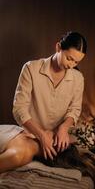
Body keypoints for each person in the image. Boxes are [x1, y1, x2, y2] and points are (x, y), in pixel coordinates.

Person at [0, 31, 87, 173]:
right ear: (58, 47)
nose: (71, 65)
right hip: (30, 134)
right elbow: (19, 109)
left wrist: (63, 128)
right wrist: (41, 135)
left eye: (77, 62)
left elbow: (75, 109)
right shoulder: (31, 68)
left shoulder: (78, 78)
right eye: (69, 58)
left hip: (55, 137)